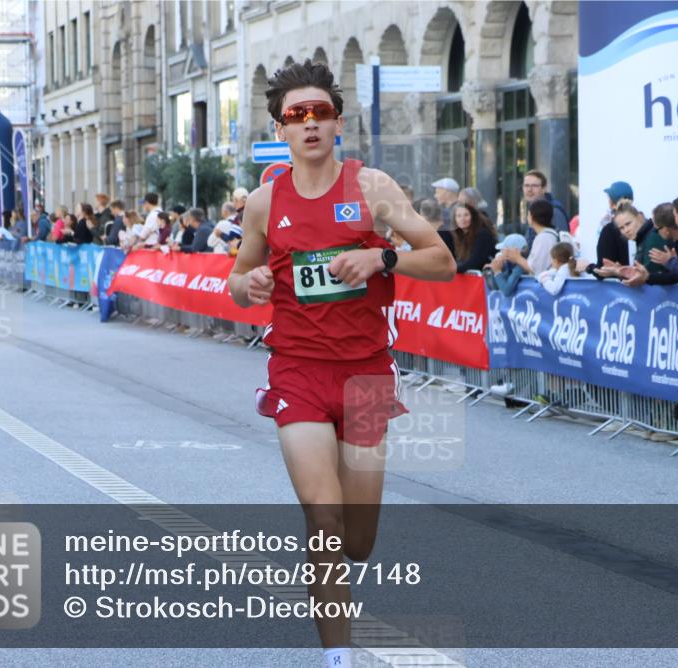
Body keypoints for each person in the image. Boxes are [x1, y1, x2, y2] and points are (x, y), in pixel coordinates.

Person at [227, 59, 455, 668]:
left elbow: (442, 261)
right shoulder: (263, 200)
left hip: (367, 376)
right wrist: (244, 285)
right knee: (324, 518)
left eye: (319, 113)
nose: (308, 124)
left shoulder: (372, 188)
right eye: (295, 116)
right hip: (297, 370)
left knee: (357, 539)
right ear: (280, 127)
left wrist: (383, 259)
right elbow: (237, 276)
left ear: (338, 123)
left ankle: (331, 579)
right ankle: (339, 659)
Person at [596, 200, 674, 285]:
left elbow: (646, 276)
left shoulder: (653, 237)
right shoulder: (644, 238)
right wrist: (620, 270)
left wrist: (618, 271)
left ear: (640, 217)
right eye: (621, 228)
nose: (626, 230)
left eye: (628, 224)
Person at [451, 201, 497, 273]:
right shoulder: (460, 235)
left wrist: (450, 269)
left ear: (473, 217)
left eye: (466, 215)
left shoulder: (482, 235)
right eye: (458, 216)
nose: (462, 219)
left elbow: (474, 263)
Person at [522, 170, 568, 238]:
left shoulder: (554, 211)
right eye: (526, 185)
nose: (529, 189)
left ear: (544, 188)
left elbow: (561, 244)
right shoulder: (533, 208)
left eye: (534, 186)